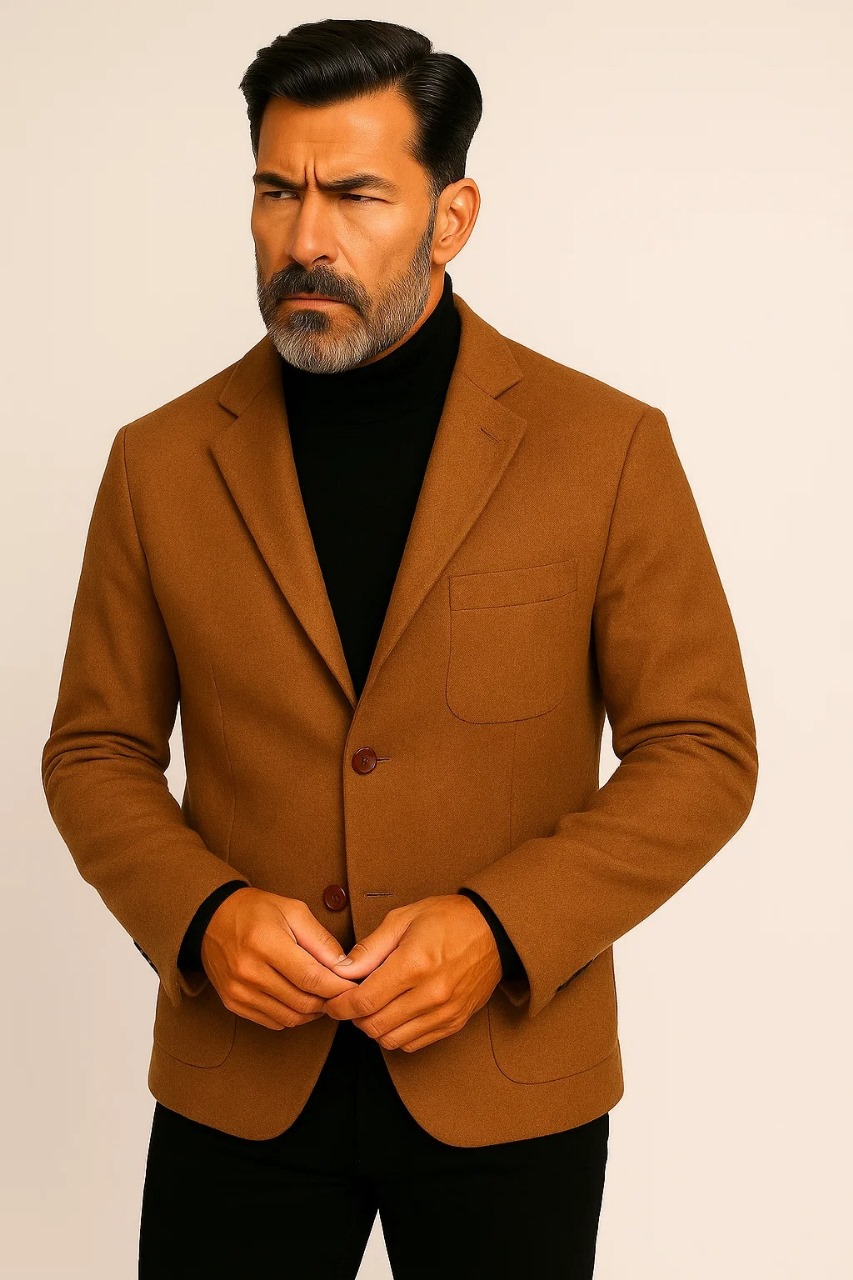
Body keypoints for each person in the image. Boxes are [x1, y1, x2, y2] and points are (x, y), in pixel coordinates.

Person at [40, 18, 759, 1280]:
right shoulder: (158, 462)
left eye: (356, 194)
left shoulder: (605, 448)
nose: (304, 238)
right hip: (240, 1085)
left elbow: (700, 749)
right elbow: (95, 749)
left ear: (451, 215)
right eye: (277, 190)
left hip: (508, 1079)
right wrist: (201, 916)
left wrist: (500, 927)